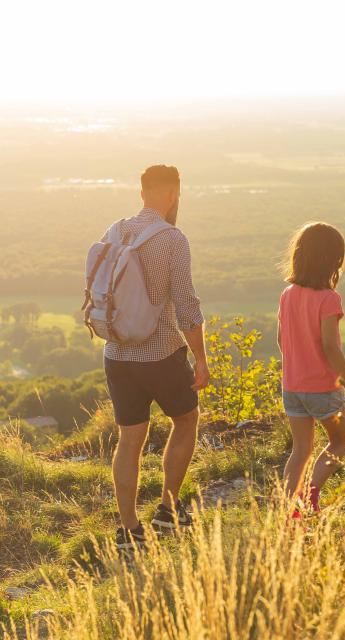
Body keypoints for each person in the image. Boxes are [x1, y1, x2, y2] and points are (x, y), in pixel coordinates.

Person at [102, 165, 210, 551]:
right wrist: (200, 357)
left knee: (129, 439)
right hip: (161, 352)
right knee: (185, 419)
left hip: (116, 353)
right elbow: (186, 304)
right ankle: (168, 508)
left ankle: (129, 530)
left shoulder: (114, 232)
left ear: (143, 191)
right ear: (173, 193)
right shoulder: (172, 239)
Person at [277, 222, 345, 518]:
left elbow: (281, 340)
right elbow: (331, 346)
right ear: (334, 260)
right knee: (339, 441)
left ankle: (290, 509)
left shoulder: (287, 294)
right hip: (322, 388)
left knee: (300, 450)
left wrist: (296, 365)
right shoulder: (329, 299)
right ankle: (312, 496)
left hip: (291, 386)